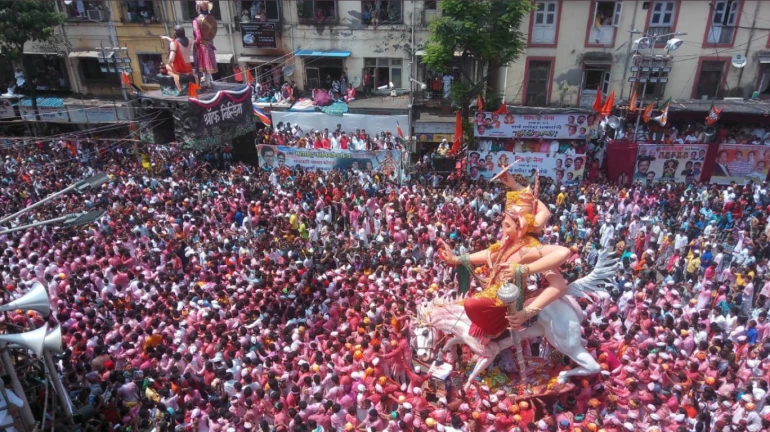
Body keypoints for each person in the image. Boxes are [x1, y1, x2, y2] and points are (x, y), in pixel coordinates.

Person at [438, 176, 571, 337]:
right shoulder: (509, 242)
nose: (504, 230)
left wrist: (523, 270)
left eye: (507, 226)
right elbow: (490, 254)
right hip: (494, 293)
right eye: (503, 225)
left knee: (472, 304)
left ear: (520, 229)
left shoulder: (529, 249)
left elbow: (562, 264)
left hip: (508, 305)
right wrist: (457, 259)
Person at [160, 26, 195, 91]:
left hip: (180, 68)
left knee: (167, 66)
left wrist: (169, 64)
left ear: (175, 32)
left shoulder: (173, 43)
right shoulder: (190, 41)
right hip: (188, 67)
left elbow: (171, 58)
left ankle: (178, 88)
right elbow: (178, 43)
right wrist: (166, 38)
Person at [192, 1, 218, 87]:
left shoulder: (196, 21)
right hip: (209, 44)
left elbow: (198, 37)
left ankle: (206, 83)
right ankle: (208, 82)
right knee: (207, 67)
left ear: (198, 8)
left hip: (202, 46)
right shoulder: (212, 18)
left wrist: (194, 43)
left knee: (203, 67)